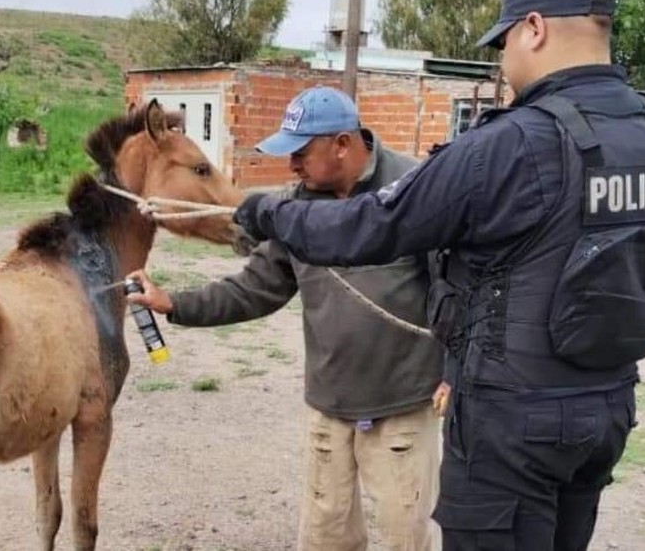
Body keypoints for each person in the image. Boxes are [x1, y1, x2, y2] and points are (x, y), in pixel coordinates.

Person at [230, 0, 645, 549]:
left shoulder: (508, 145)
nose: (503, 60)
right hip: (606, 411)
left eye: (503, 43)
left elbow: (372, 227)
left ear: (534, 29)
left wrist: (266, 213)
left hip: (513, 426)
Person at [128, 86, 444, 550]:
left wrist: (456, 369)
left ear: (342, 144)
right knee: (324, 540)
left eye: (300, 153)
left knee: (407, 539)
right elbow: (256, 289)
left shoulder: (416, 189)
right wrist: (175, 304)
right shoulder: (295, 209)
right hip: (329, 406)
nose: (291, 166)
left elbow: (455, 286)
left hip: (403, 408)